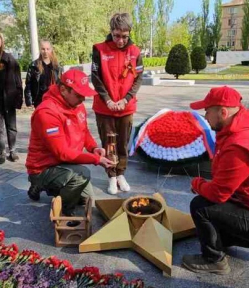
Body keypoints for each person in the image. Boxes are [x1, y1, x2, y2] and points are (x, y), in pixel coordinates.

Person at [183, 86, 249, 275]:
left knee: (200, 206)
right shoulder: (247, 128)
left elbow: (218, 194)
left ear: (223, 112)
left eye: (207, 111)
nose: (205, 117)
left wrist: (197, 184)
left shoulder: (239, 145)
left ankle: (213, 260)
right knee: (217, 233)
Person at [25, 69, 114, 216]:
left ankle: (49, 189)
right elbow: (62, 153)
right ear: (63, 89)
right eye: (79, 95)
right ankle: (63, 213)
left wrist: (93, 148)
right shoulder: (47, 113)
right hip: (44, 167)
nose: (82, 100)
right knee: (82, 175)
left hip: (64, 163)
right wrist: (96, 160)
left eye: (84, 95)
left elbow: (84, 131)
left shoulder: (76, 104)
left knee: (85, 198)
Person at [91, 12, 143, 195]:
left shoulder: (135, 52)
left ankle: (121, 173)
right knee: (108, 143)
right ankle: (111, 176)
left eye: (124, 36)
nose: (120, 40)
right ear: (111, 31)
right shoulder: (99, 49)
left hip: (125, 107)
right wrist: (107, 100)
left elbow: (138, 78)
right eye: (116, 36)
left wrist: (125, 99)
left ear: (129, 33)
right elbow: (95, 78)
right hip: (104, 107)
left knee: (123, 142)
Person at [0, 33, 23, 163]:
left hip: (8, 99)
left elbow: (18, 80)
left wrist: (19, 97)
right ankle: (1, 152)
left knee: (11, 126)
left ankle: (12, 151)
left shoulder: (9, 59)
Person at [24, 39, 61, 108]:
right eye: (43, 49)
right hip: (39, 101)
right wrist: (29, 100)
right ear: (40, 50)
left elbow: (60, 84)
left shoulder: (56, 66)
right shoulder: (34, 65)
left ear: (51, 49)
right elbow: (28, 84)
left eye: (48, 49)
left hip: (53, 100)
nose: (45, 51)